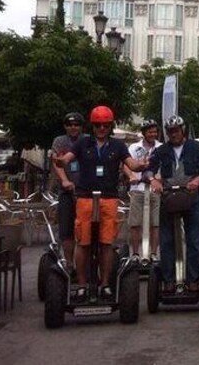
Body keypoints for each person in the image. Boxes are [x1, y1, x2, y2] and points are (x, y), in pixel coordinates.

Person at [51, 106, 147, 301]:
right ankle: (81, 285)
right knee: (83, 243)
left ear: (110, 126)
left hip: (108, 197)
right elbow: (66, 160)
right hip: (85, 197)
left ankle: (105, 285)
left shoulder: (118, 146)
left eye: (105, 125)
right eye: (97, 125)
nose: (101, 128)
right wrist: (60, 162)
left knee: (106, 243)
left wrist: (142, 165)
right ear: (92, 126)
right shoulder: (83, 143)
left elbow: (132, 165)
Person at [146, 115, 199, 293]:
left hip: (193, 199)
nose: (173, 134)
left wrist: (198, 180)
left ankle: (193, 280)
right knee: (166, 241)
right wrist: (153, 180)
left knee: (194, 241)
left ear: (182, 130)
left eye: (176, 130)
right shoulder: (162, 150)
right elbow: (148, 169)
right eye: (170, 131)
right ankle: (169, 280)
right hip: (169, 198)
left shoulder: (196, 147)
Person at [122, 119, 162, 260]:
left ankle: (153, 254)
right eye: (150, 132)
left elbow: (165, 167)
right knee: (135, 223)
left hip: (154, 189)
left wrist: (159, 178)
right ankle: (135, 254)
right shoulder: (134, 148)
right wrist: (131, 175)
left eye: (155, 131)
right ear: (144, 133)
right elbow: (126, 164)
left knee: (155, 223)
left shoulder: (161, 148)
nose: (153, 134)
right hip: (137, 188)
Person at [49, 111, 85, 265]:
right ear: (65, 126)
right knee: (66, 230)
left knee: (85, 231)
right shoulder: (60, 141)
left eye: (76, 124)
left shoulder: (87, 140)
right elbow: (56, 162)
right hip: (66, 191)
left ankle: (84, 265)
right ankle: (70, 264)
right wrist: (64, 180)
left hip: (85, 192)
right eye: (70, 124)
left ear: (81, 126)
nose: (73, 127)